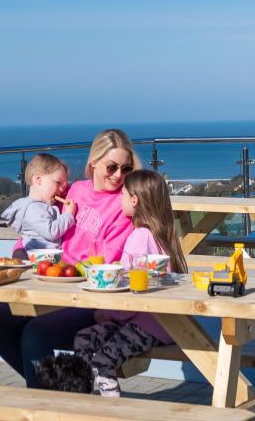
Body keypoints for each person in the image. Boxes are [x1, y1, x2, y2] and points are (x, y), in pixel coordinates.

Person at [0, 128, 141, 387]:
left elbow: (109, 261)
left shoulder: (122, 205)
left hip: (86, 295)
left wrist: (72, 270)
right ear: (94, 163)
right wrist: (22, 251)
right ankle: (57, 394)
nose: (118, 176)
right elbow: (40, 225)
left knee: (35, 333)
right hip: (50, 284)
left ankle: (49, 401)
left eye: (126, 169)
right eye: (111, 167)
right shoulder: (75, 190)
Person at [71, 170, 188, 396]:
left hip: (151, 323)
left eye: (123, 194)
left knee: (102, 361)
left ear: (134, 200)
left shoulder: (140, 237)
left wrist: (106, 313)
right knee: (84, 339)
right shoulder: (162, 234)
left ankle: (112, 408)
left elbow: (131, 288)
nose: (120, 198)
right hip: (154, 320)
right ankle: (81, 398)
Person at [1, 153, 75, 253]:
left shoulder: (41, 206)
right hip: (37, 260)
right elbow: (52, 232)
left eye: (63, 185)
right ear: (38, 179)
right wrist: (69, 215)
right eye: (58, 182)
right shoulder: (33, 208)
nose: (61, 189)